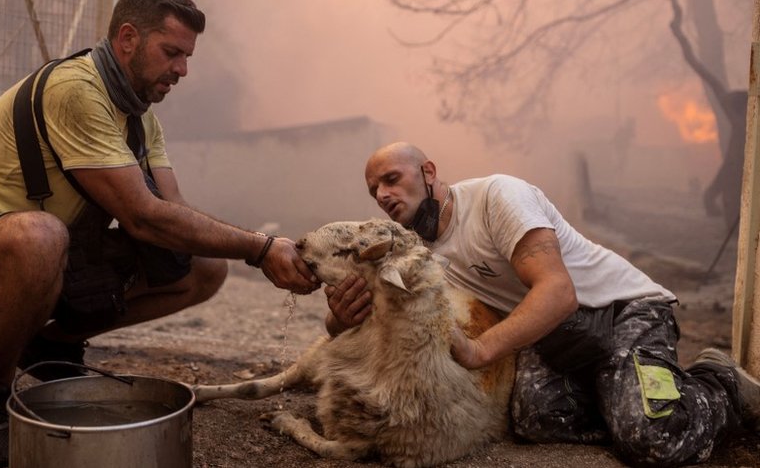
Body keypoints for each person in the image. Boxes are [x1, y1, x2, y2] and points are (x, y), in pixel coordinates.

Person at [0, 0, 319, 468]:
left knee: (203, 267)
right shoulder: (76, 90)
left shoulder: (140, 117)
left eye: (187, 58)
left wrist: (261, 247)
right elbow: (142, 216)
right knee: (40, 233)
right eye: (172, 52)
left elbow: (173, 213)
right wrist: (261, 249)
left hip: (46, 266)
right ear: (129, 39)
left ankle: (49, 343)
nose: (181, 70)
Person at [325, 141, 760, 467]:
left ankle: (718, 383)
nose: (381, 195)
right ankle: (622, 393)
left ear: (428, 171)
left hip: (622, 309)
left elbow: (558, 292)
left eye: (391, 179)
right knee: (534, 420)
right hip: (556, 333)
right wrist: (339, 321)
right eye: (373, 190)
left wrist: (480, 350)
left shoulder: (498, 197)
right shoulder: (417, 253)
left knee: (651, 437)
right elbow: (375, 318)